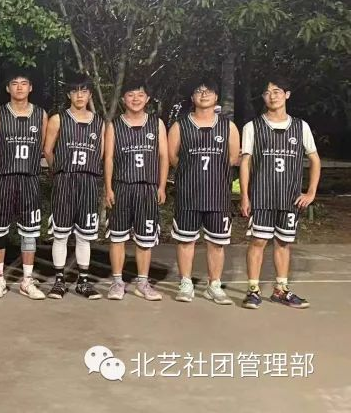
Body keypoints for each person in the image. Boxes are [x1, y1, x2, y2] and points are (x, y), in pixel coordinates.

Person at [240, 77, 321, 309]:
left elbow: (314, 159)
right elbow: (245, 162)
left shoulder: (301, 126)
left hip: (289, 197)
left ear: (287, 94)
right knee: (258, 241)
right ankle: (253, 290)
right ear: (263, 98)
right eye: (267, 93)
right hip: (262, 196)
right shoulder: (252, 126)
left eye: (277, 91)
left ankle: (281, 290)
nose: (272, 96)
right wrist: (245, 195)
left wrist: (311, 192)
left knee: (284, 243)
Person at [168, 78, 239, 305]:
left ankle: (214, 285)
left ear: (216, 97)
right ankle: (186, 283)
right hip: (188, 194)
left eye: (208, 91)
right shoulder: (180, 126)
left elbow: (233, 158)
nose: (204, 94)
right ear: (192, 97)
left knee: (216, 243)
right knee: (185, 241)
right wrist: (192, 172)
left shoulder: (228, 127)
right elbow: (172, 157)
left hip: (217, 195)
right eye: (199, 91)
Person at [104, 80, 168, 301]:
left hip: (147, 187)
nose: (135, 99)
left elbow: (163, 157)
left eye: (140, 95)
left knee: (145, 239)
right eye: (130, 95)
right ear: (123, 99)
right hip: (122, 186)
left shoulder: (156, 124)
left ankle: (143, 282)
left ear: (147, 99)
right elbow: (109, 158)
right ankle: (117, 282)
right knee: (117, 238)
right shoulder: (114, 125)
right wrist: (108, 188)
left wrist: (161, 186)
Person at [0, 70, 48, 300]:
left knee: (29, 232)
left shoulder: (41, 115)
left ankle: (27, 280)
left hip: (29, 179)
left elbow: (42, 146)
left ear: (31, 87)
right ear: (8, 88)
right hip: (3, 178)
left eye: (24, 83)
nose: (19, 87)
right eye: (14, 83)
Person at [43, 76, 103, 300]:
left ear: (89, 95)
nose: (79, 95)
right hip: (65, 180)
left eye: (84, 91)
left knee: (84, 236)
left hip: (88, 181)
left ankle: (83, 282)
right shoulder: (58, 119)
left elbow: (101, 153)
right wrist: (59, 171)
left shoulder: (99, 123)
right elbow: (48, 150)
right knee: (60, 234)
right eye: (75, 91)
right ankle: (59, 281)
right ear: (69, 94)